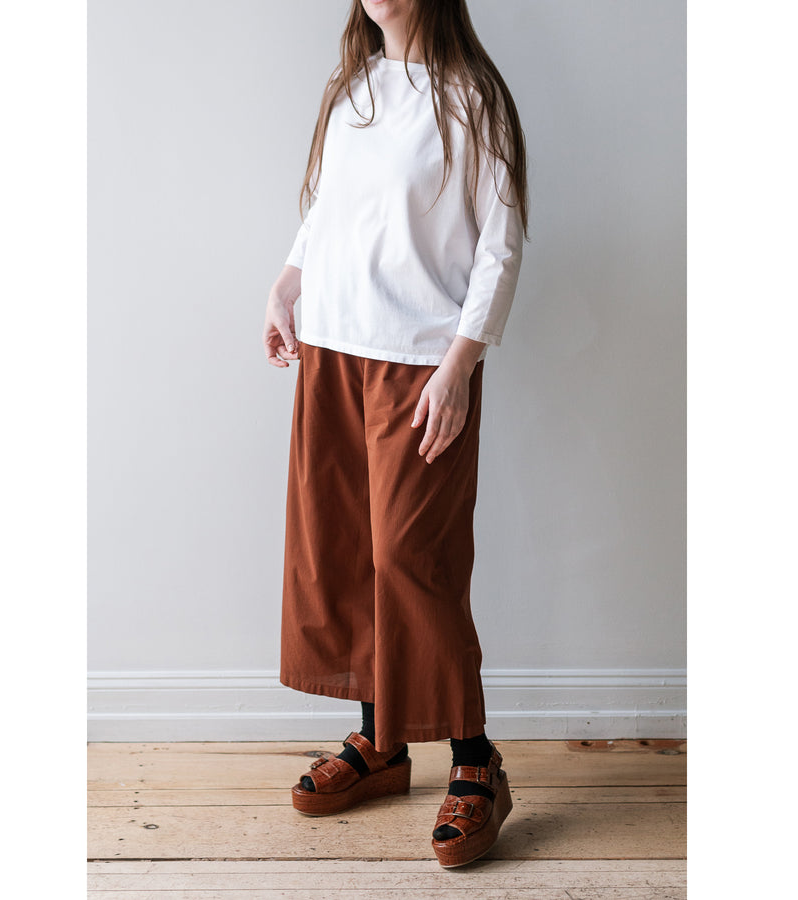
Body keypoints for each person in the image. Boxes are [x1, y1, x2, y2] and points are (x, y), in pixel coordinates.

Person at [263, 0, 528, 868]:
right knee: (344, 550)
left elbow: (501, 243)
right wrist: (289, 283)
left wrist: (461, 363)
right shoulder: (354, 87)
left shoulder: (472, 98)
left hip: (419, 361)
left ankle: (477, 760)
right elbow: (330, 209)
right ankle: (381, 743)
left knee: (413, 559)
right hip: (332, 348)